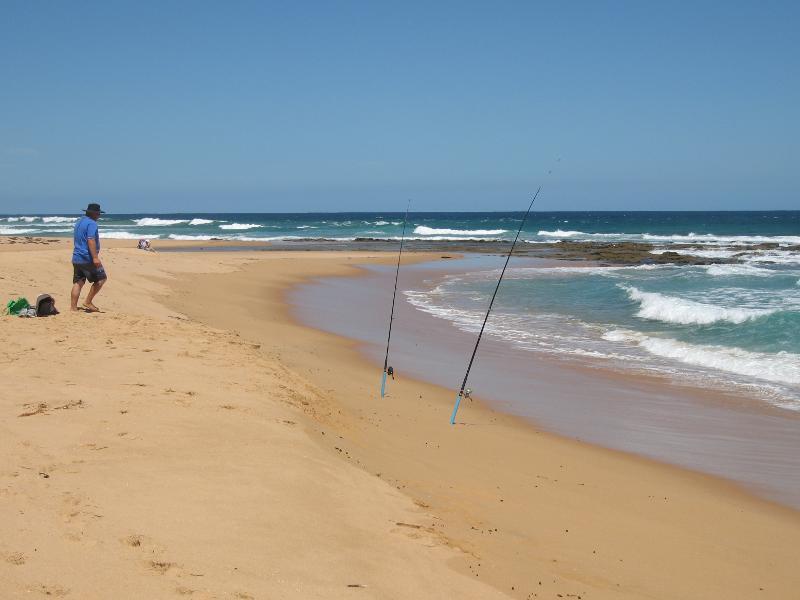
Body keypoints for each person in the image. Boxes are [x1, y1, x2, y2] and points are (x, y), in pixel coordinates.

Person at [71, 203, 108, 312]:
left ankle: (73, 308)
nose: (99, 216)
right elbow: (90, 239)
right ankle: (88, 301)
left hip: (77, 257)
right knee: (102, 278)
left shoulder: (79, 222)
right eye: (98, 214)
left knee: (78, 282)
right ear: (94, 214)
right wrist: (95, 257)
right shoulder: (92, 223)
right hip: (87, 258)